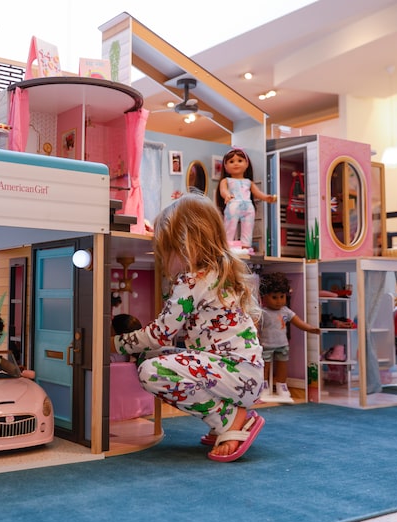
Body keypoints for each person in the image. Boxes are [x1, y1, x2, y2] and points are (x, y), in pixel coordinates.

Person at [111, 192, 265, 462]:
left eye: (166, 250)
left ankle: (229, 419)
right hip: (241, 373)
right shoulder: (217, 272)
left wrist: (113, 343)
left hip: (235, 374)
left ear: (184, 246)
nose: (164, 259)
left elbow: (161, 333)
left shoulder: (194, 280)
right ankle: (228, 415)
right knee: (151, 358)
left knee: (151, 370)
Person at [257, 271, 320, 400]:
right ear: (264, 297)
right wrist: (255, 336)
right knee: (265, 366)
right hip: (266, 345)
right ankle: (263, 385)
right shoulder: (262, 312)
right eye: (274, 297)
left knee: (283, 365)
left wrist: (311, 329)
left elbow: (298, 322)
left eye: (282, 297)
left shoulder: (285, 311)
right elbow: (256, 325)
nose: (279, 301)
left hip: (282, 345)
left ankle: (281, 385)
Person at [218, 147, 277, 253]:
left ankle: (246, 246)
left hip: (248, 206)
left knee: (248, 227)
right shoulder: (226, 180)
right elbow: (223, 190)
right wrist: (227, 195)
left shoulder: (248, 182)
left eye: (240, 161)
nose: (236, 164)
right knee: (230, 226)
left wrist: (266, 197)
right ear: (226, 166)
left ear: (246, 163)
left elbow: (257, 193)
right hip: (233, 204)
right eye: (231, 162)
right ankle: (227, 244)